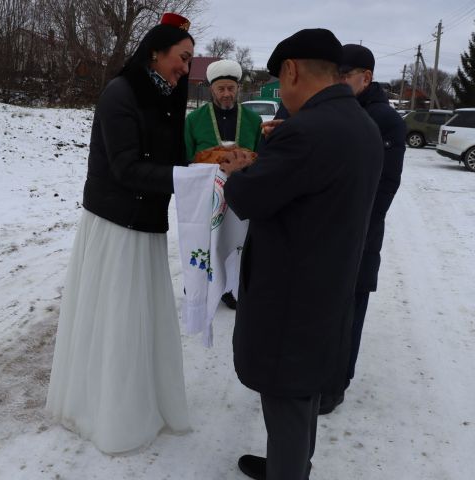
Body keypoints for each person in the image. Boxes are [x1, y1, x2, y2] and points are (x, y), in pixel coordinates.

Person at [219, 29, 384, 479]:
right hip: (327, 283)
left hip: (292, 291)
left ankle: (288, 470)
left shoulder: (308, 132)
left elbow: (251, 200)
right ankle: (288, 462)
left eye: (280, 79)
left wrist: (238, 172)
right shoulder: (359, 123)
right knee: (304, 390)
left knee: (287, 393)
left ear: (291, 70)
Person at [45, 13, 194, 454]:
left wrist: (203, 167)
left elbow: (173, 159)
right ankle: (109, 414)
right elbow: (127, 167)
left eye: (189, 61)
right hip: (116, 225)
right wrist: (189, 179)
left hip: (147, 224)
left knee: (143, 321)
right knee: (118, 322)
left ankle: (145, 401)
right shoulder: (120, 93)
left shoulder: (168, 97)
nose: (186, 68)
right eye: (182, 58)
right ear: (155, 51)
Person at [319, 44, 406, 415]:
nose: (337, 82)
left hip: (360, 234)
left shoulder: (385, 120)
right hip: (331, 232)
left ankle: (337, 385)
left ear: (365, 77)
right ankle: (322, 375)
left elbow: (385, 185)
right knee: (328, 309)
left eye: (344, 75)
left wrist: (353, 227)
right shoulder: (342, 111)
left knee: (350, 309)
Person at [184, 59, 262, 310]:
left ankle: (229, 287)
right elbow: (186, 156)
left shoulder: (252, 119)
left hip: (241, 194)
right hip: (206, 194)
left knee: (235, 241)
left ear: (238, 89)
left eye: (231, 88)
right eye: (221, 89)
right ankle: (198, 282)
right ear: (211, 90)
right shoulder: (194, 119)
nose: (227, 94)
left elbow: (261, 156)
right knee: (205, 239)